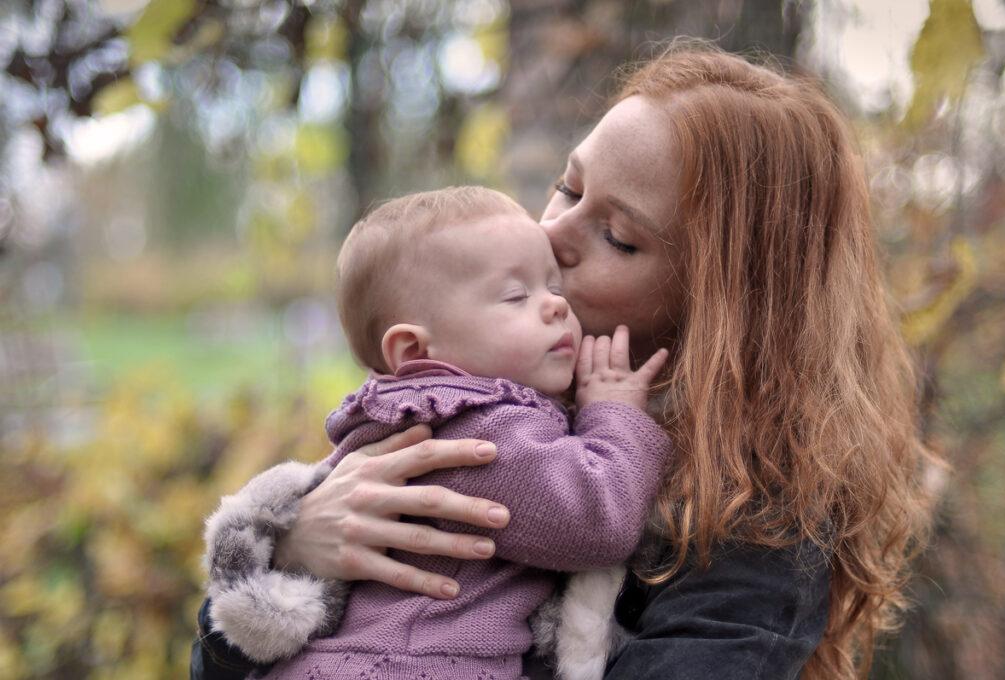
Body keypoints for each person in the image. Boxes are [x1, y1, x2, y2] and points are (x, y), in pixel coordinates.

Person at [192, 44, 934, 680]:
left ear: (725, 301)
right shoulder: (495, 391)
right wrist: (294, 543)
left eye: (618, 237)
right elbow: (220, 661)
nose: (551, 235)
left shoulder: (758, 524)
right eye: (568, 188)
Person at [201, 186, 673, 680]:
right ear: (413, 350)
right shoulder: (476, 430)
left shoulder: (397, 417)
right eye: (516, 296)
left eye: (554, 289)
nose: (556, 307)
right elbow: (596, 522)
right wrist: (615, 415)